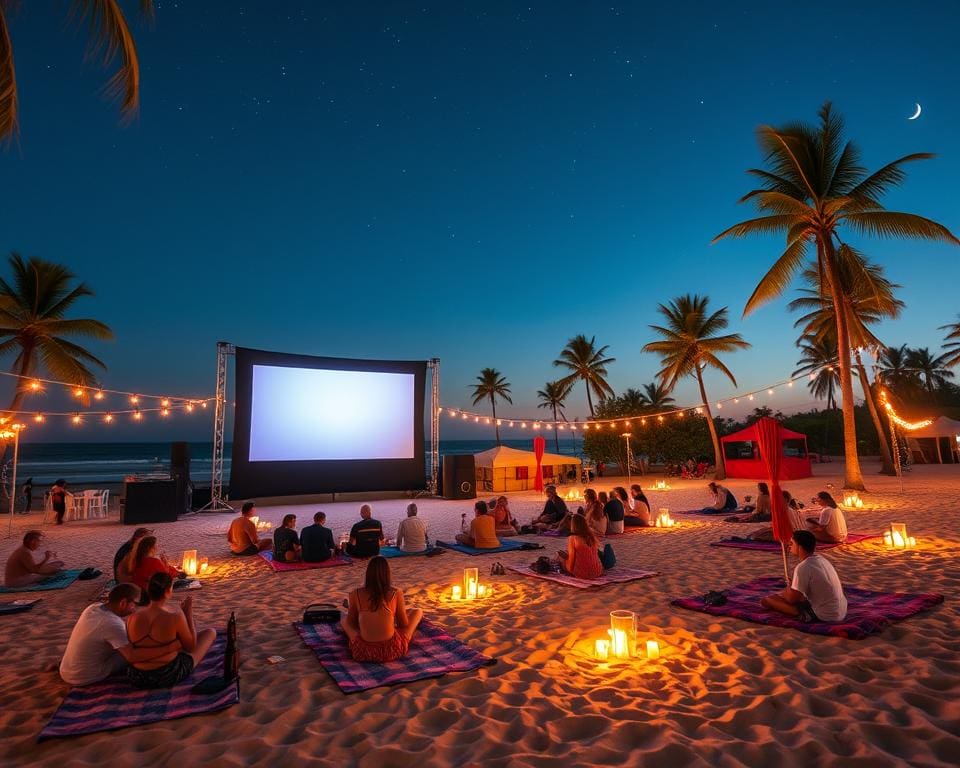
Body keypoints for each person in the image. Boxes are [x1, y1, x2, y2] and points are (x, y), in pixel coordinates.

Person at [59, 583, 178, 686]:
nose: (136, 608)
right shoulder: (111, 623)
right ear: (123, 603)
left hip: (66, 670)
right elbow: (132, 656)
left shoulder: (93, 608)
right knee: (140, 650)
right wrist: (169, 647)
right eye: (135, 604)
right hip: (83, 676)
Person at [126, 572, 216, 688]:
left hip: (136, 676)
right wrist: (188, 614)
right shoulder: (175, 617)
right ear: (168, 591)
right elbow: (190, 647)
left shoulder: (132, 618)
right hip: (167, 674)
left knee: (174, 642)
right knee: (210, 633)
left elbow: (135, 648)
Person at [341, 556, 423, 662]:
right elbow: (403, 624)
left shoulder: (355, 594)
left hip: (364, 652)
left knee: (344, 621)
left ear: (368, 574)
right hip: (392, 650)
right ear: (387, 574)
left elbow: (351, 623)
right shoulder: (395, 593)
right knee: (417, 612)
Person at [761, 530, 848, 622]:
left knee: (767, 600)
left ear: (800, 547)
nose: (790, 546)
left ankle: (799, 612)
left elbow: (792, 600)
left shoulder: (803, 567)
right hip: (841, 610)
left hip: (826, 615)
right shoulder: (822, 560)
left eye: (792, 543)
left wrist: (787, 590)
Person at [556, 514, 604, 580]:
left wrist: (565, 560)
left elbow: (570, 566)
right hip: (597, 571)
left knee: (559, 557)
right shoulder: (591, 537)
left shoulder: (573, 538)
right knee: (566, 554)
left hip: (583, 574)